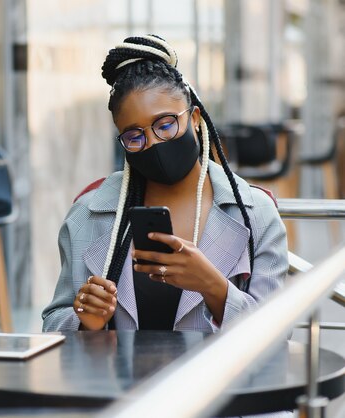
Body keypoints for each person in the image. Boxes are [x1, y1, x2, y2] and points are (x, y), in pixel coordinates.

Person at [42, 35, 288, 333]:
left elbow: (278, 334)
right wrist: (84, 323)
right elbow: (54, 324)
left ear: (195, 118)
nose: (155, 143)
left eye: (166, 124)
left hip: (221, 380)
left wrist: (215, 289)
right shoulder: (87, 215)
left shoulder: (256, 213)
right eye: (135, 136)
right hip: (118, 380)